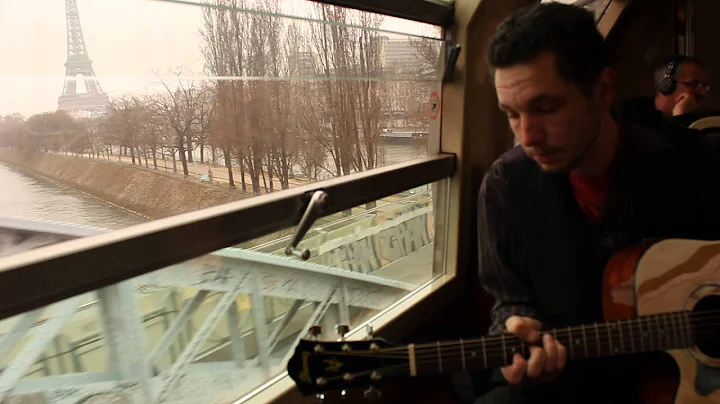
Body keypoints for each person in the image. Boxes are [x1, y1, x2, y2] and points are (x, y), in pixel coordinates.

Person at [466, 3, 720, 404]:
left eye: (546, 108)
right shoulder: (504, 187)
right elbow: (509, 300)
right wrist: (515, 327)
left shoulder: (694, 162)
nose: (526, 135)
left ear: (602, 90)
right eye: (511, 114)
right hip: (573, 382)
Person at [620, 55, 712, 133]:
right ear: (666, 85)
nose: (703, 92)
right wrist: (681, 120)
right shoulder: (634, 117)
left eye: (704, 86)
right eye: (694, 84)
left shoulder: (704, 122)